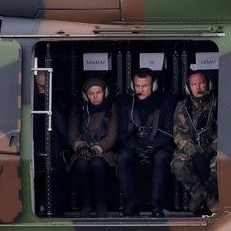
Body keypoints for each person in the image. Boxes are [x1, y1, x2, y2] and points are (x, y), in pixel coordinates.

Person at [116, 68, 174, 217]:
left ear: (153, 86)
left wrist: (150, 147)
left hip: (158, 146)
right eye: (137, 86)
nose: (140, 90)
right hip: (134, 147)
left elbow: (168, 132)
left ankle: (156, 204)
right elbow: (122, 133)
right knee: (122, 157)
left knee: (161, 157)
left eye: (145, 86)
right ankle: (131, 203)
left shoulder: (165, 101)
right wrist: (137, 148)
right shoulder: (127, 102)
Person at [171, 70, 218, 215]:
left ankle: (198, 200)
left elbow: (226, 132)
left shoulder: (217, 103)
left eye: (202, 83)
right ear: (188, 87)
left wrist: (211, 150)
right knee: (178, 164)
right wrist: (195, 154)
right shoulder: (183, 106)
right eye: (194, 84)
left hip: (214, 150)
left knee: (220, 165)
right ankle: (209, 201)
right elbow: (180, 134)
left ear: (208, 84)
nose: (198, 87)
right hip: (190, 150)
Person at [68, 78, 117, 217]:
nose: (95, 97)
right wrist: (80, 146)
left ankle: (100, 203)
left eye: (99, 92)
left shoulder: (111, 107)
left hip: (104, 151)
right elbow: (72, 133)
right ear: (85, 95)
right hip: (82, 150)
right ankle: (87, 203)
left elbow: (112, 135)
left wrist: (98, 148)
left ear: (104, 93)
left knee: (97, 164)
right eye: (91, 93)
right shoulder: (78, 108)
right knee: (81, 165)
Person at [34, 71, 67, 217]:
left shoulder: (60, 102)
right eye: (38, 86)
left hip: (55, 153)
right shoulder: (29, 103)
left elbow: (63, 131)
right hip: (34, 151)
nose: (42, 90)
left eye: (45, 86)